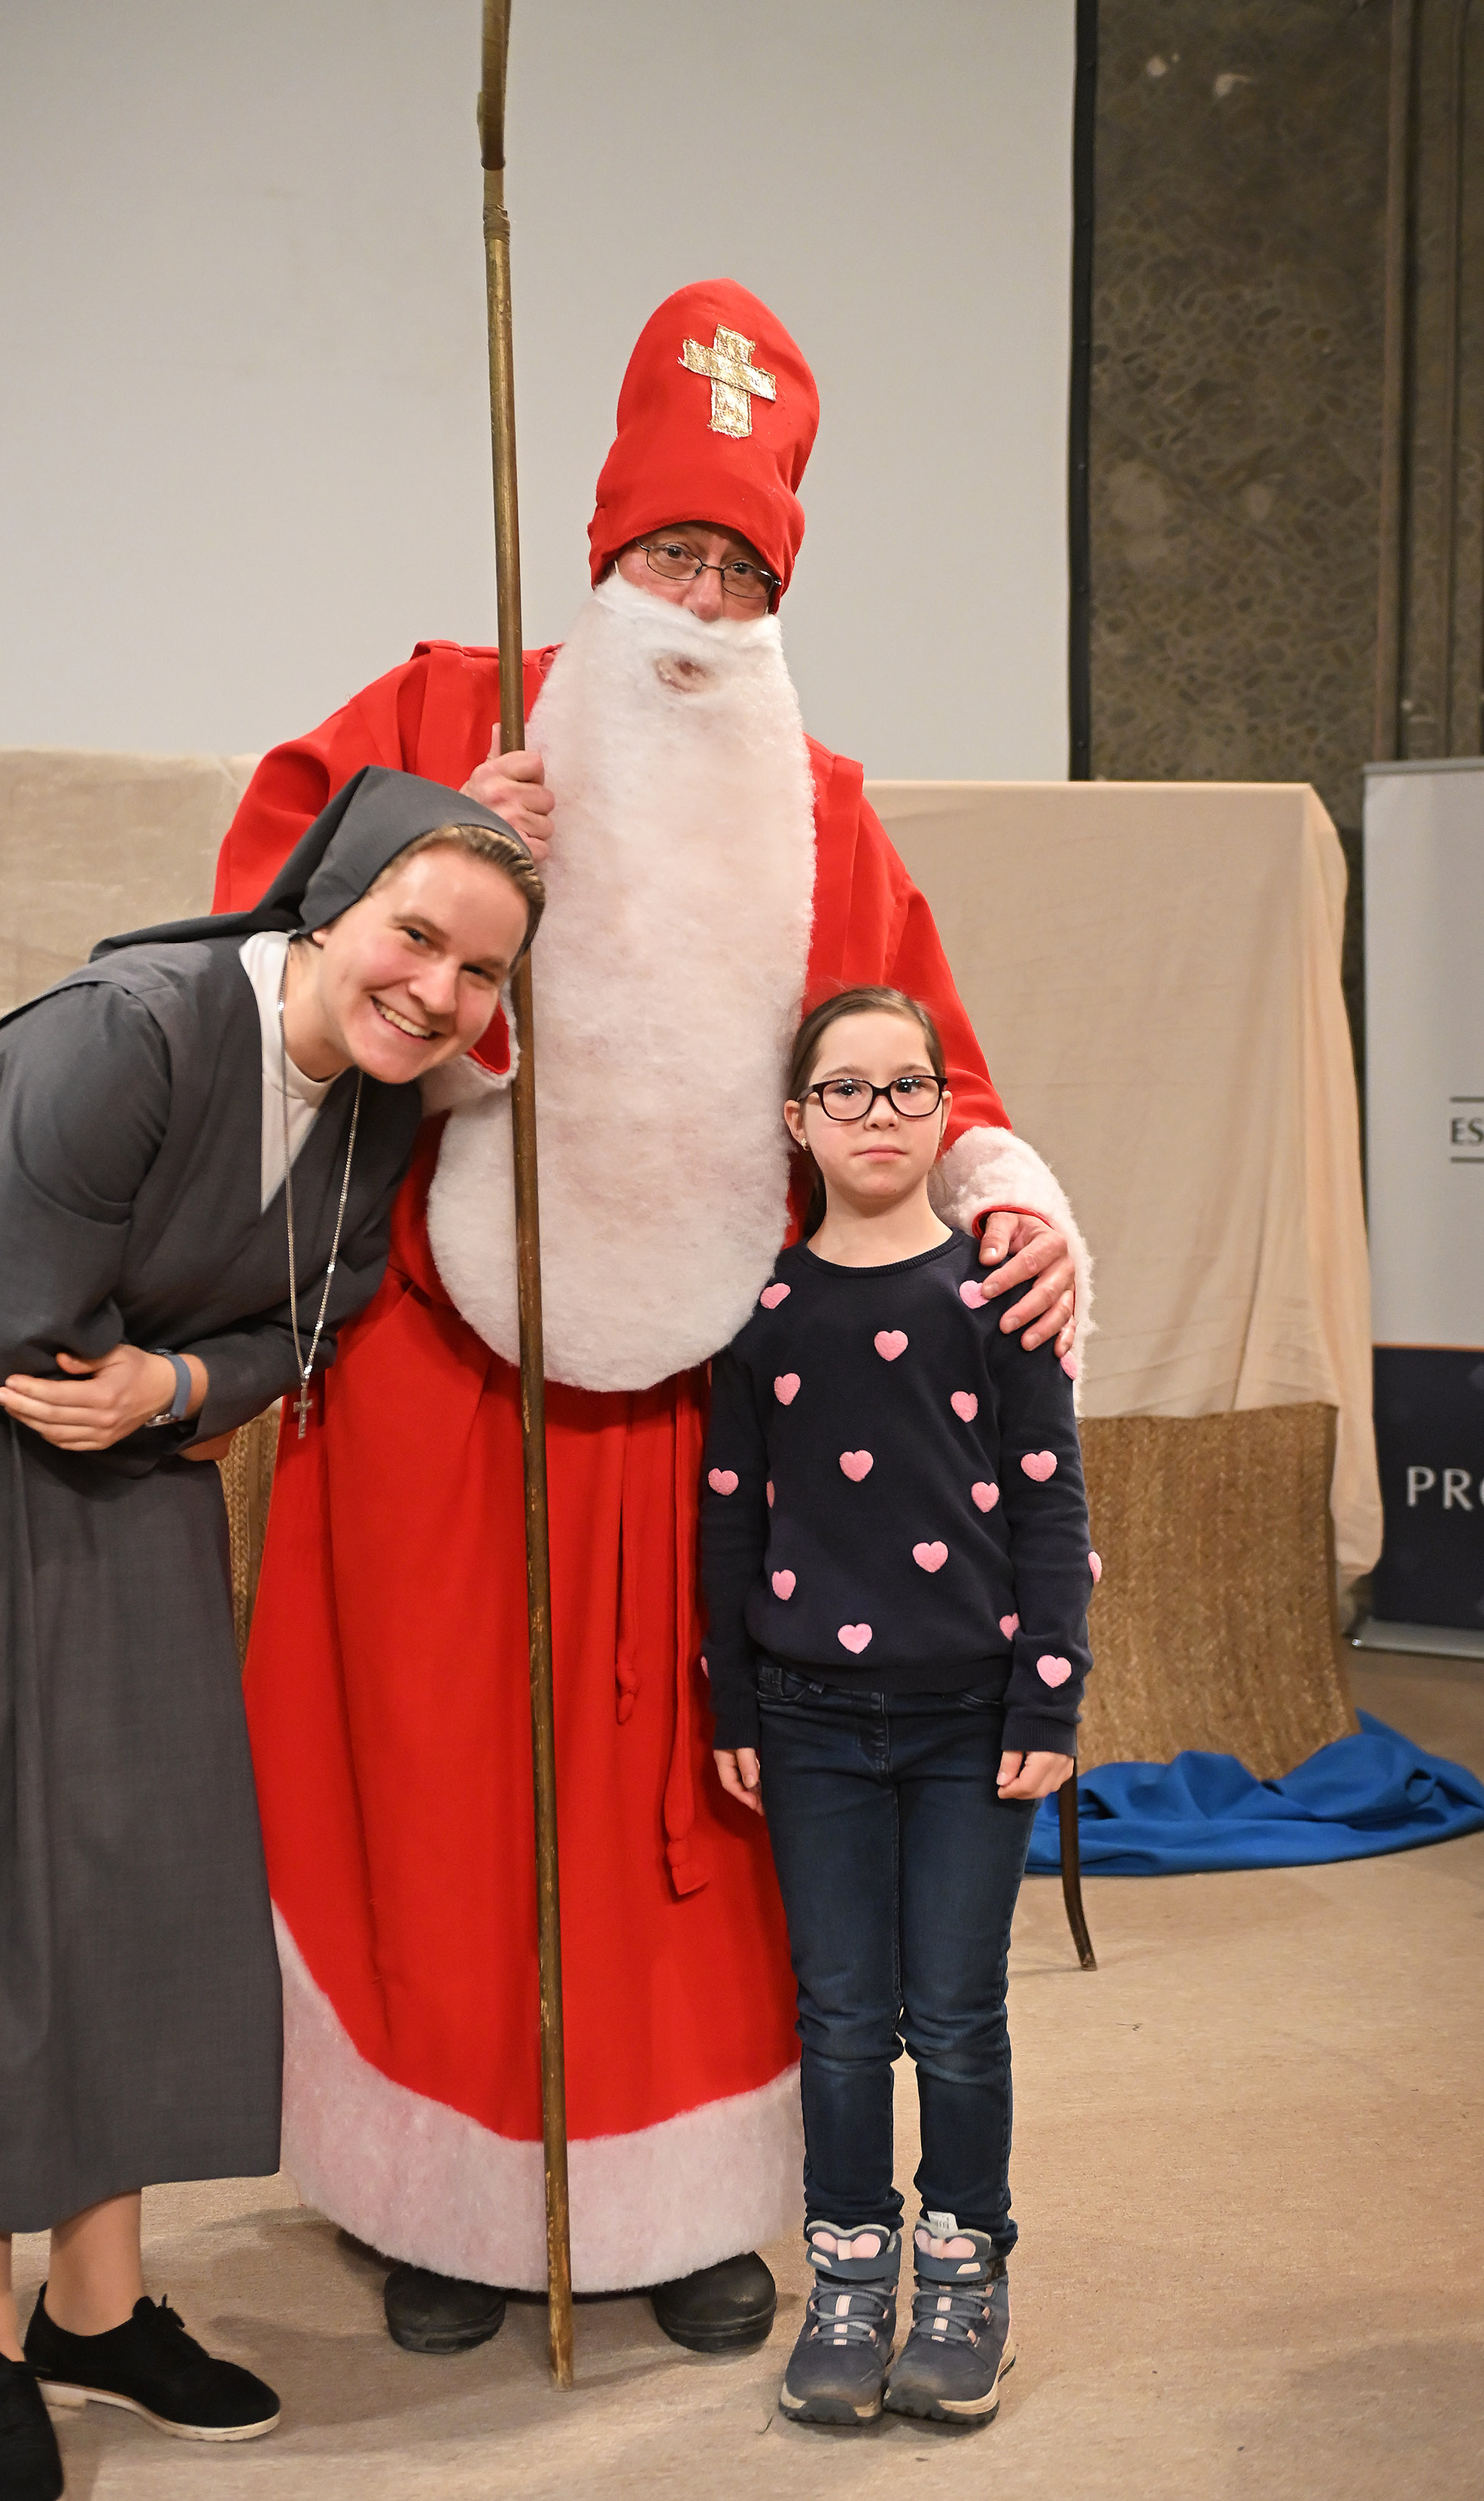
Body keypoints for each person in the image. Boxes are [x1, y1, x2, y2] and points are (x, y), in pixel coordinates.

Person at [215, 278, 1094, 2357]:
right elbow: (258, 951)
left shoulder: (822, 806)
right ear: (602, 547)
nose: (696, 603)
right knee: (438, 1786)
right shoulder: (439, 710)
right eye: (668, 554)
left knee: (692, 1812)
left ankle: (684, 2199)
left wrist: (1008, 1191)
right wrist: (435, 846)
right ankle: (445, 2202)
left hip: (717, 1415)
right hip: (435, 1384)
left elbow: (924, 1063)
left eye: (737, 569)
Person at [0, 771, 541, 2501]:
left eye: (480, 972)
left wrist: (179, 1382)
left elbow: (324, 1315)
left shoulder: (379, 1104)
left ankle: (95, 2309)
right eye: (415, 937)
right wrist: (184, 1386)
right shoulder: (128, 1033)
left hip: (122, 1441)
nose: (439, 992)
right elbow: (23, 1335)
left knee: (138, 1860)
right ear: (323, 910)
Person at [701, 985, 1092, 2428]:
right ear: (796, 1122)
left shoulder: (998, 1298)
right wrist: (735, 1705)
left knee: (958, 2014)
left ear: (945, 1110)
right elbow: (729, 1519)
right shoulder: (759, 1313)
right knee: (844, 2016)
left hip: (969, 1724)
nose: (877, 1113)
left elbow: (1050, 1511)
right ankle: (849, 2273)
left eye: (906, 1087)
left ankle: (964, 2272)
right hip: (807, 1719)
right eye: (844, 1090)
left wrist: (1047, 1702)